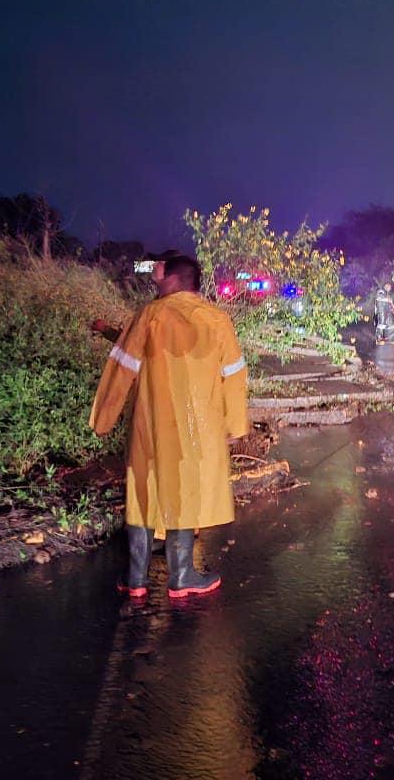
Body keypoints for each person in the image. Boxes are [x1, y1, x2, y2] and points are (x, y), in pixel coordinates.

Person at [89, 255, 248, 598]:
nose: (155, 279)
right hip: (195, 429)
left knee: (142, 491)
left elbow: (122, 366)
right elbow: (234, 375)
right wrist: (236, 423)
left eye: (161, 274)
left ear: (175, 279)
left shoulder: (150, 314)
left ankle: (135, 579)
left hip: (150, 422)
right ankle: (182, 575)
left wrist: (103, 417)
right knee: (184, 491)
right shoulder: (217, 320)